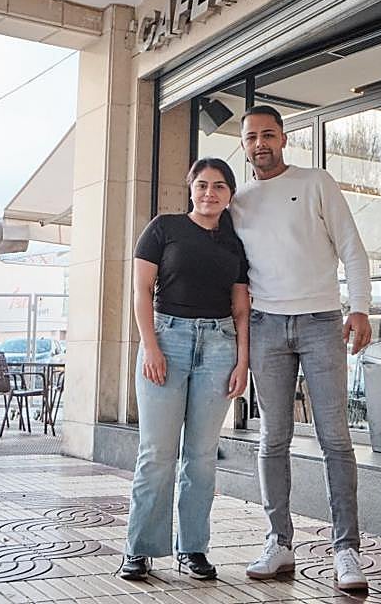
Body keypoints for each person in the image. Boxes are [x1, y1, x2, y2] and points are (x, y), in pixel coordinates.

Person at [230, 104, 372, 592]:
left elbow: (352, 248)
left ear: (284, 138)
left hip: (320, 323)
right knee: (273, 440)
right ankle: (279, 542)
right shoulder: (238, 202)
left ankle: (347, 550)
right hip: (267, 326)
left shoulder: (317, 183)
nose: (260, 144)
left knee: (336, 439)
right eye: (251, 137)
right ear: (244, 144)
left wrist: (359, 308)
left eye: (268, 135)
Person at [120, 158, 251, 582]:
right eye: (202, 185)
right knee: (156, 453)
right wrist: (151, 346)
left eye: (219, 186)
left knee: (201, 457)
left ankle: (193, 548)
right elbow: (141, 292)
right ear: (190, 188)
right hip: (168, 340)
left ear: (230, 194)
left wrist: (242, 361)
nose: (209, 193)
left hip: (218, 346)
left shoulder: (235, 244)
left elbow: (241, 308)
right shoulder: (164, 228)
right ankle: (139, 549)